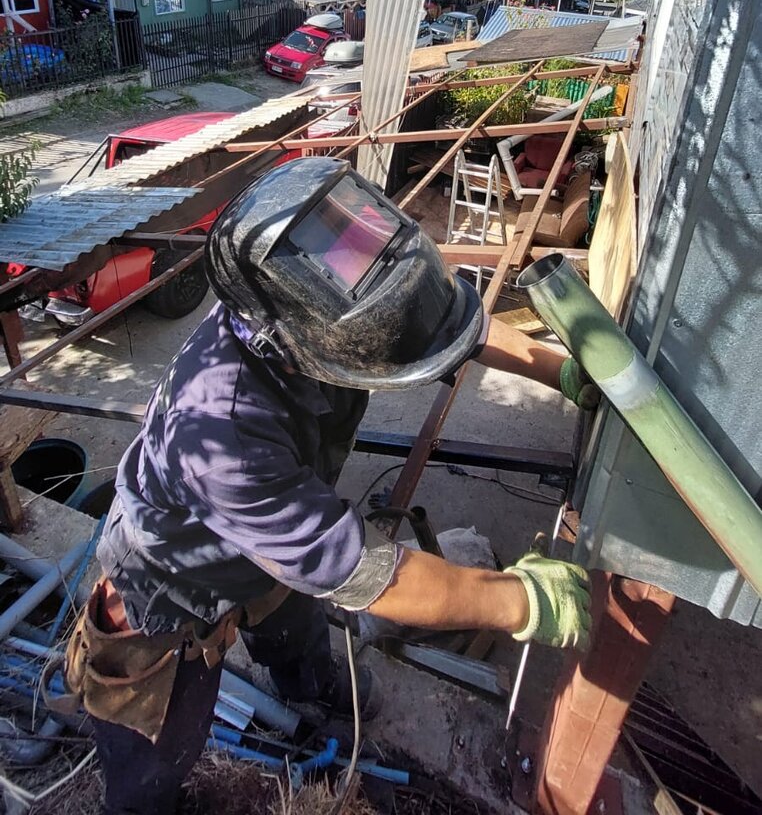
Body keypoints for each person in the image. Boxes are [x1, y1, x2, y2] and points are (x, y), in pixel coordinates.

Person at [57, 158, 594, 815]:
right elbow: (373, 576)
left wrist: (563, 370)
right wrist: (520, 601)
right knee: (159, 753)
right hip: (171, 588)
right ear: (301, 346)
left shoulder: (327, 309)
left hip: (275, 528)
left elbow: (460, 324)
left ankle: (312, 695)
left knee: (297, 636)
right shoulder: (228, 434)